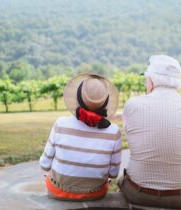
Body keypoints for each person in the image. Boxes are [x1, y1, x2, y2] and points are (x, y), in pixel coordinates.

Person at [117, 55, 181, 208]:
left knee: (120, 180)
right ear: (177, 83)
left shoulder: (132, 105)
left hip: (137, 193)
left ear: (151, 81)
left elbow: (132, 136)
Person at [39, 73, 122, 201]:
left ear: (77, 98)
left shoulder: (61, 124)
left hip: (58, 191)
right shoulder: (113, 131)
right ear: (105, 102)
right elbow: (113, 174)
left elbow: (44, 164)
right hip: (96, 193)